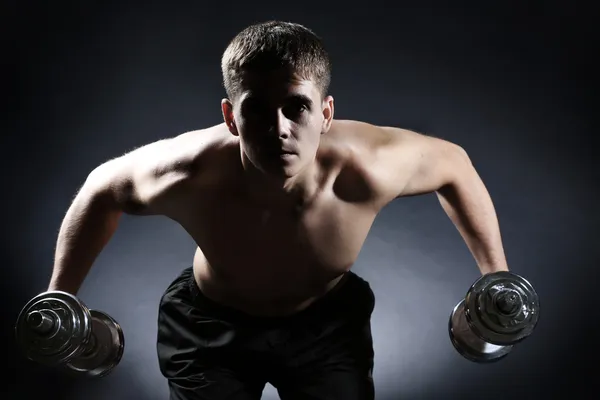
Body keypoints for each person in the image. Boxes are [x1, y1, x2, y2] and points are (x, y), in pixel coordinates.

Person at [47, 21, 510, 400]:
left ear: (326, 113)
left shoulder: (369, 168)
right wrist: (58, 300)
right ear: (231, 118)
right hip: (211, 329)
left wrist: (498, 279)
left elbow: (456, 166)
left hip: (326, 328)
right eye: (257, 111)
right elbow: (99, 189)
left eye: (297, 107)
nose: (279, 129)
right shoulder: (189, 173)